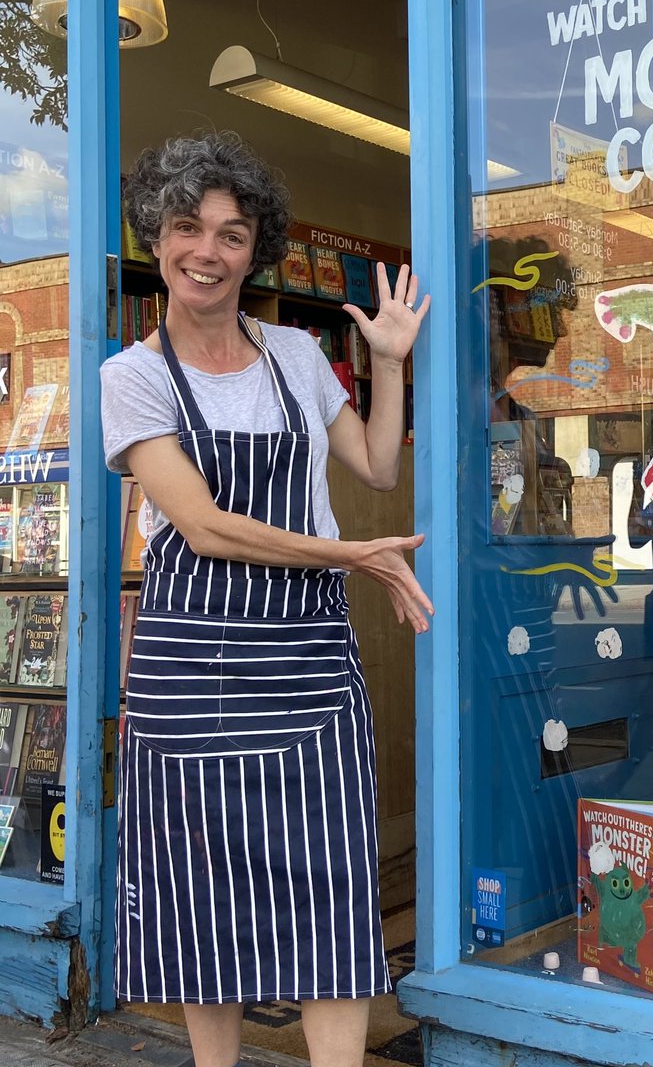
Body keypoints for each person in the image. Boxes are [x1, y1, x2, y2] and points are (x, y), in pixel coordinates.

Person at [100, 131, 433, 1067]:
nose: (207, 250)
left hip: (308, 669)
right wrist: (347, 556)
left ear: (258, 250)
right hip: (189, 674)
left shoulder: (294, 352)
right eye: (185, 227)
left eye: (232, 233)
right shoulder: (127, 381)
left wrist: (394, 361)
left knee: (330, 889)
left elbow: (371, 464)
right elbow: (203, 526)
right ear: (154, 239)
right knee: (199, 899)